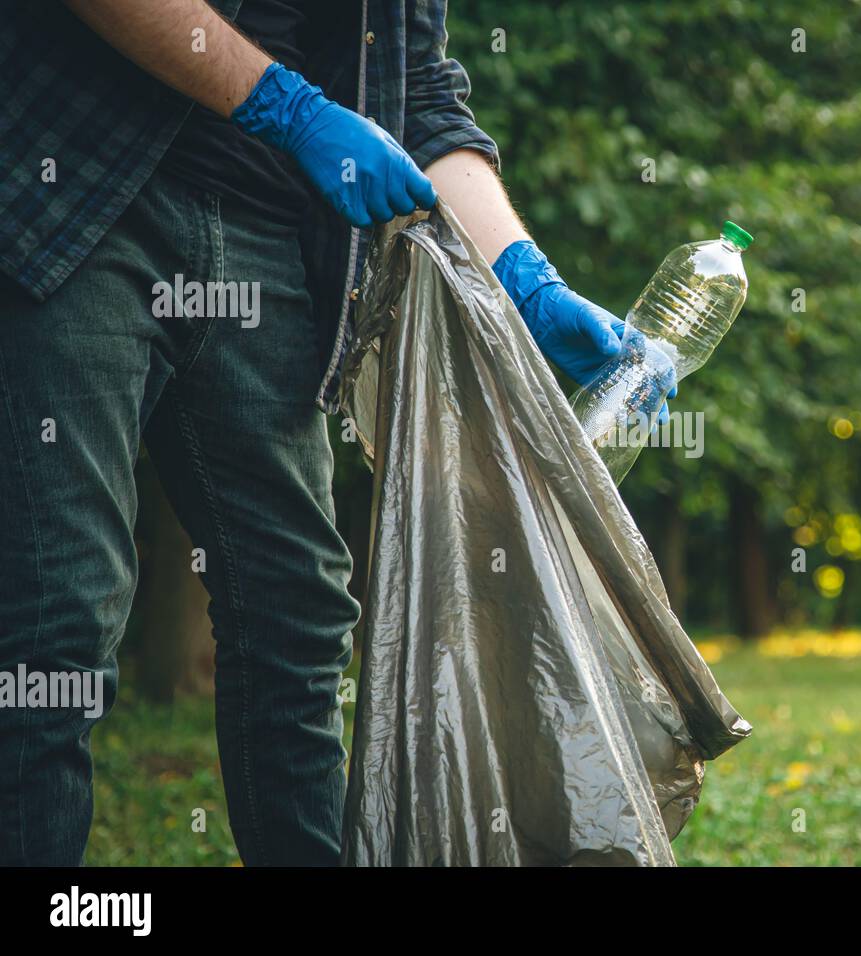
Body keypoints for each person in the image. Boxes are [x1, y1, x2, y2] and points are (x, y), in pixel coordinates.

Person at [0, 0, 675, 866]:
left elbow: (423, 93)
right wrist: (291, 107)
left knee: (298, 621)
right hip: (79, 195)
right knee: (56, 619)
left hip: (265, 234)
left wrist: (528, 281)